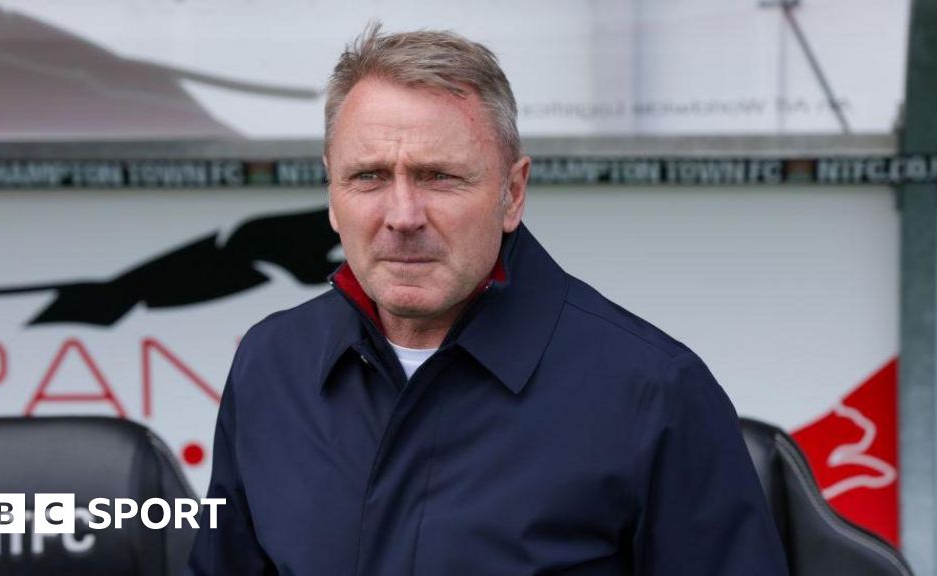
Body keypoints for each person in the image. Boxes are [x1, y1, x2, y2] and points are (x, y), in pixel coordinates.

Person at [187, 23, 789, 576]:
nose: (402, 216)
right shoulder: (271, 363)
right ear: (331, 193)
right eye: (368, 176)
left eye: (439, 177)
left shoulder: (655, 393)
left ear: (513, 193)